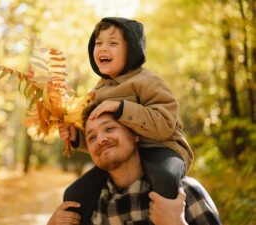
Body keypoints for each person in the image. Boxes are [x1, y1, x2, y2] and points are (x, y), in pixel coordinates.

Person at [59, 17, 194, 200]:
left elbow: (165, 124)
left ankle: (169, 217)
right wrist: (77, 137)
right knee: (75, 194)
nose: (103, 48)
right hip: (121, 155)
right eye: (98, 43)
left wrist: (121, 108)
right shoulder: (96, 93)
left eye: (113, 43)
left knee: (165, 178)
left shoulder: (146, 81)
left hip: (161, 148)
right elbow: (99, 137)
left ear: (131, 51)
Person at [49, 108, 221, 224]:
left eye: (109, 129)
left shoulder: (184, 194)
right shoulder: (89, 207)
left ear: (136, 134)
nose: (101, 139)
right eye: (91, 137)